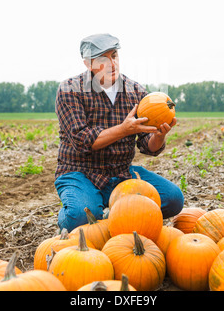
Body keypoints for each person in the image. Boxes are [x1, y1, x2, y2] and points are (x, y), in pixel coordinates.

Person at [54, 33, 184, 232]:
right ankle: (74, 213)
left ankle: (113, 214)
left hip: (121, 173)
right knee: (81, 217)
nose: (111, 63)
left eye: (114, 56)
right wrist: (124, 129)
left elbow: (148, 147)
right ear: (88, 64)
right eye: (102, 59)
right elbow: (83, 141)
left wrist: (158, 136)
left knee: (172, 199)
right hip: (80, 172)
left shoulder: (137, 92)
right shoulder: (70, 91)